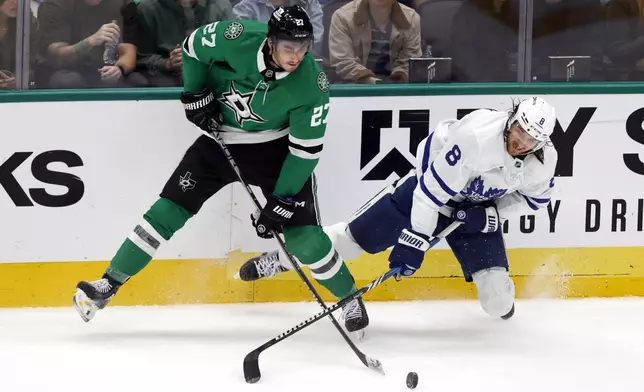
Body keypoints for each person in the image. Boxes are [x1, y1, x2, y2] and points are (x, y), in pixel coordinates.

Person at [72, 5, 369, 334]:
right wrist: (195, 91)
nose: (296, 56)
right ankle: (107, 285)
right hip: (218, 143)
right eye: (288, 47)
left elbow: (304, 152)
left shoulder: (312, 84)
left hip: (275, 152)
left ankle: (349, 298)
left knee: (305, 241)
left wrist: (282, 200)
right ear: (270, 42)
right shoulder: (237, 36)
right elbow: (191, 48)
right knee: (166, 212)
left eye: (303, 47)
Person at [237, 97, 559, 320]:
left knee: (499, 303)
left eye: (531, 139)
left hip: (473, 211)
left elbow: (531, 201)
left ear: (541, 144)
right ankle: (281, 260)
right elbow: (428, 195)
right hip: (425, 189)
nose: (520, 141)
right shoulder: (475, 138)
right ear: (512, 118)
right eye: (519, 129)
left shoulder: (542, 165)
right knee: (350, 243)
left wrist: (490, 215)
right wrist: (415, 242)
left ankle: (503, 305)